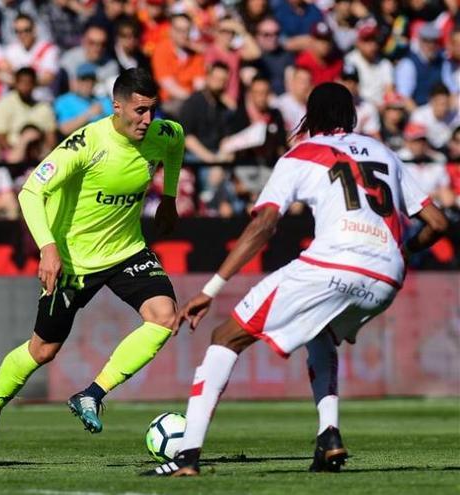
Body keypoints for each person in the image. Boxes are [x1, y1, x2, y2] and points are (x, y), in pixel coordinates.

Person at [148, 83, 449, 477]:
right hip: (387, 276)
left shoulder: (301, 154)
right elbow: (438, 223)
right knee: (319, 334)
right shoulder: (384, 152)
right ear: (352, 116)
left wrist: (210, 289)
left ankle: (186, 457)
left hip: (335, 263)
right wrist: (404, 252)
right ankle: (328, 436)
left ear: (311, 117)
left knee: (225, 338)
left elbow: (264, 225)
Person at [0, 68, 185, 467]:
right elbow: (31, 191)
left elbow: (175, 147)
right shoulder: (86, 143)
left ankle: (92, 394)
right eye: (138, 111)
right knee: (43, 349)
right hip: (72, 261)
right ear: (115, 106)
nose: (147, 120)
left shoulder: (165, 133)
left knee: (164, 317)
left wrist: (169, 196)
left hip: (127, 250)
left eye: (152, 111)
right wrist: (48, 248)